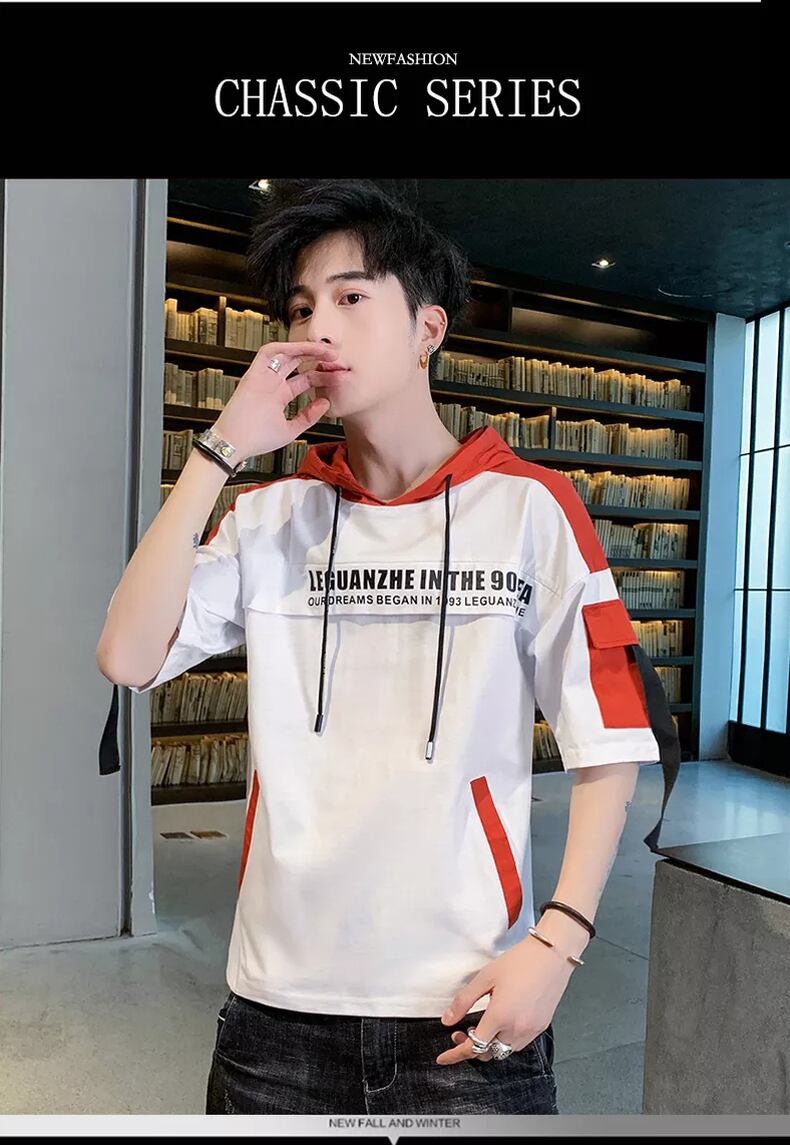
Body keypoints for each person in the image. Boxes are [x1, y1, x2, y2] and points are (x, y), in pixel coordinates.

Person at [97, 179, 679, 1115]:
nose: (318, 327)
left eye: (352, 297)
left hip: (467, 1008)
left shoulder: (530, 510)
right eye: (300, 308)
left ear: (427, 329)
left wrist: (559, 943)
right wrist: (222, 447)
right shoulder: (270, 518)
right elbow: (128, 656)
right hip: (277, 1016)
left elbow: (609, 742)